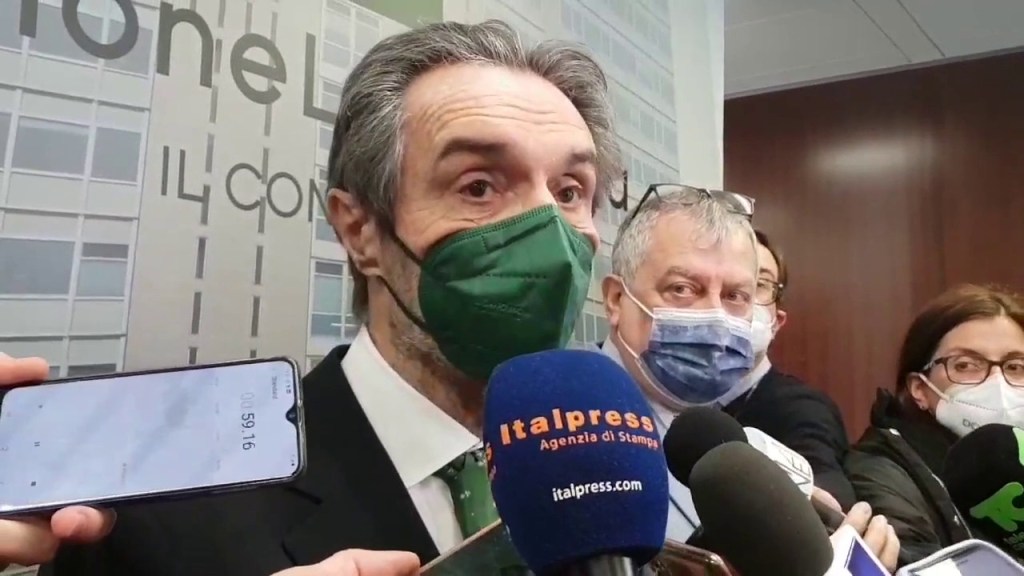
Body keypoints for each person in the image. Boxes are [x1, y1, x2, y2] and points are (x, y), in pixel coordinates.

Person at [1, 20, 620, 575]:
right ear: (360, 230)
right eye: (479, 186)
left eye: (570, 191)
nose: (550, 231)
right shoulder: (162, 517)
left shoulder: (612, 466)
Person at [599, 186, 899, 570]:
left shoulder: (731, 439)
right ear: (615, 299)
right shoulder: (565, 425)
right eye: (682, 289)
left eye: (735, 296)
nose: (716, 316)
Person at [845, 284, 1024, 566]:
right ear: (919, 388)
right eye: (965, 365)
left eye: (1015, 367)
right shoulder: (882, 469)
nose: (997, 383)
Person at [719, 230, 855, 509]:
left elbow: (824, 487)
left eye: (759, 283)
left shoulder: (802, 408)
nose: (739, 295)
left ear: (777, 322)